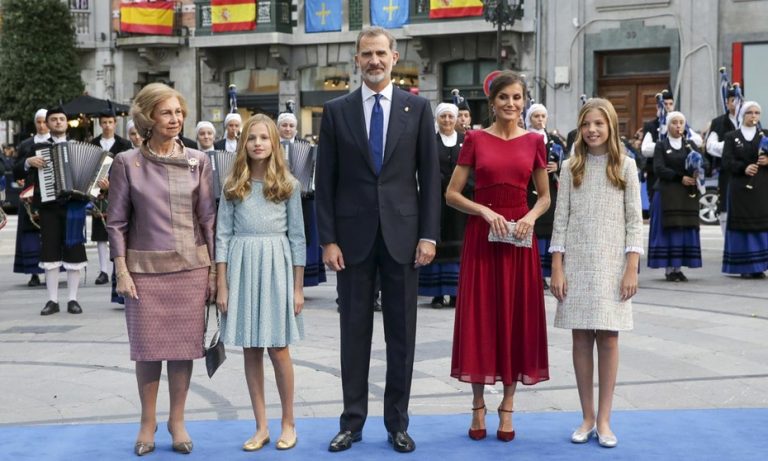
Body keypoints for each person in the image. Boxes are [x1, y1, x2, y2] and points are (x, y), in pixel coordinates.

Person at [316, 26, 440, 454]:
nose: (374, 61)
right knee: (354, 334)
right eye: (366, 54)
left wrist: (428, 235)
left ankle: (397, 424)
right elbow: (325, 182)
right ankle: (351, 423)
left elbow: (430, 178)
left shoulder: (417, 109)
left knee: (401, 336)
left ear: (394, 57)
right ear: (357, 59)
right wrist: (328, 240)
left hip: (404, 239)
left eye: (380, 53)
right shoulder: (336, 111)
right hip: (351, 243)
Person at [107, 83, 216, 456]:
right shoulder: (127, 163)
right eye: (167, 112)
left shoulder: (198, 161)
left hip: (191, 269)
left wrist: (215, 272)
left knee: (183, 349)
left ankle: (177, 421)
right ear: (148, 118)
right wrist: (121, 270)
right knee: (148, 350)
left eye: (179, 112)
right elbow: (116, 222)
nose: (175, 119)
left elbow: (209, 220)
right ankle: (147, 421)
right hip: (144, 272)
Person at [447, 71, 550, 443]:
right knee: (481, 318)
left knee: (514, 317)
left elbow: (544, 197)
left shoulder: (535, 141)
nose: (511, 103)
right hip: (482, 239)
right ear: (492, 102)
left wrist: (530, 217)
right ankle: (477, 404)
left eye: (517, 97)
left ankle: (508, 405)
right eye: (504, 97)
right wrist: (483, 211)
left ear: (524, 101)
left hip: (519, 240)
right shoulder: (475, 139)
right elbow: (452, 194)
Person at [549, 98, 644, 449]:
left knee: (608, 338)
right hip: (576, 262)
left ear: (611, 127)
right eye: (586, 124)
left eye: (599, 124)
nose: (592, 130)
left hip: (612, 264)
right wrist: (557, 266)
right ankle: (586, 416)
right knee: (579, 338)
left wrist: (631, 267)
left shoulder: (626, 167)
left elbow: (635, 221)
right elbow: (560, 220)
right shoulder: (570, 166)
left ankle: (604, 419)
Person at [216, 114, 306, 452]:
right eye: (251, 138)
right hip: (242, 266)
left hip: (276, 267)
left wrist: (297, 288)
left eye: (264, 138)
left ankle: (288, 422)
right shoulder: (232, 185)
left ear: (274, 143)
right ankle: (261, 426)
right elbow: (222, 236)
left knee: (279, 348)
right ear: (243, 143)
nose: (257, 143)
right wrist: (222, 284)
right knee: (251, 349)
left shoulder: (288, 185)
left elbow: (298, 238)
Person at [16, 106, 88, 315]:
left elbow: (92, 176)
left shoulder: (77, 146)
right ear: (47, 123)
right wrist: (28, 162)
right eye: (54, 119)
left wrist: (97, 186)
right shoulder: (37, 148)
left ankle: (73, 299)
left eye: (61, 119)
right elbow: (18, 170)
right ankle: (52, 300)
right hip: (49, 207)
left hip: (74, 206)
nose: (58, 122)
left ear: (67, 123)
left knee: (74, 251)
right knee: (50, 253)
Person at [418, 102, 467, 308]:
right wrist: (441, 185)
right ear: (437, 119)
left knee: (459, 245)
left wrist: (457, 187)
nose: (447, 120)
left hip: (461, 203)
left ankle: (456, 292)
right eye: (443, 116)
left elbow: (472, 168)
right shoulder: (430, 141)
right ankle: (437, 293)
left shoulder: (466, 141)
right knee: (436, 241)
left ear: (456, 119)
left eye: (450, 116)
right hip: (436, 200)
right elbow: (424, 167)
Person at [648, 111, 704, 281]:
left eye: (681, 122)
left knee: (682, 230)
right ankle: (669, 269)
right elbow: (659, 168)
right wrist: (680, 177)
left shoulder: (690, 145)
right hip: (667, 193)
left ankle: (678, 268)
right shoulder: (661, 145)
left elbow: (705, 163)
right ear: (668, 125)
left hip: (686, 195)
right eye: (674, 122)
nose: (678, 126)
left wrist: (697, 171)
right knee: (669, 230)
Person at [278, 109, 326, 287]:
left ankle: (302, 280)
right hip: (278, 198)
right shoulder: (273, 145)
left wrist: (310, 182)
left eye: (291, 126)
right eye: (284, 125)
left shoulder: (305, 145)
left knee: (304, 237)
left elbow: (314, 169)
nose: (288, 129)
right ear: (278, 128)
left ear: (296, 129)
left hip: (304, 198)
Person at [721, 101, 768, 279]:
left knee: (761, 225)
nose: (754, 116)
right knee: (742, 227)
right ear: (742, 114)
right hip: (739, 188)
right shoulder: (731, 136)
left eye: (757, 112)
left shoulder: (765, 135)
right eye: (750, 112)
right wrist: (743, 168)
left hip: (761, 187)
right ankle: (744, 266)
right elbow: (726, 161)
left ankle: (760, 266)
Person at [525, 103, 566, 290]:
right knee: (534, 230)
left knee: (549, 230)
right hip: (529, 190)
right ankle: (533, 274)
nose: (540, 119)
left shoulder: (554, 140)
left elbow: (566, 160)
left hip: (550, 189)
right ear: (530, 119)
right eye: (536, 116)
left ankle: (546, 273)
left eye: (543, 116)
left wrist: (558, 167)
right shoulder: (524, 138)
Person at [90, 109, 132, 286]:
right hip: (99, 193)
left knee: (118, 230)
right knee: (100, 232)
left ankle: (117, 266)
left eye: (110, 122)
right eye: (104, 122)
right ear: (100, 124)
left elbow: (128, 170)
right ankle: (103, 270)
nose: (107, 126)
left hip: (119, 192)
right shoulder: (93, 143)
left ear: (115, 123)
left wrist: (112, 184)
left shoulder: (124, 144)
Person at [12, 108, 48, 287]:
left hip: (49, 195)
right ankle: (34, 272)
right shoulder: (26, 144)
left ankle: (52, 270)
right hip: (30, 195)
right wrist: (27, 162)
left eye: (44, 122)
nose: (41, 125)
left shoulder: (55, 143)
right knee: (30, 235)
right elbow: (16, 169)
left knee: (50, 233)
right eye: (38, 122)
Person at [706, 86, 739, 234]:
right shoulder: (718, 122)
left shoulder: (750, 121)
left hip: (748, 171)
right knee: (725, 205)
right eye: (733, 100)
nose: (736, 104)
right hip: (727, 171)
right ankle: (727, 239)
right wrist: (731, 146)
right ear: (727, 103)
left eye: (739, 100)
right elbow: (710, 146)